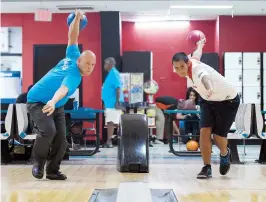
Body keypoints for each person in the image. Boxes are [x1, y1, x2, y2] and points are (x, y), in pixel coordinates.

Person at [27, 10, 96, 180]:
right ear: (79, 60)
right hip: (37, 101)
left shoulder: (73, 56)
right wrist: (52, 100)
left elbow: (73, 35)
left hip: (55, 104)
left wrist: (77, 20)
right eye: (87, 63)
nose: (90, 67)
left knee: (61, 140)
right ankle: (38, 163)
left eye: (93, 65)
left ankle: (52, 171)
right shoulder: (74, 73)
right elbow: (63, 89)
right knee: (48, 131)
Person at [172, 39, 240, 179]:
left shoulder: (198, 70)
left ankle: (224, 153)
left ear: (188, 64)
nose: (179, 71)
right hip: (207, 100)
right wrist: (200, 46)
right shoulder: (191, 61)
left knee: (218, 136)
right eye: (176, 68)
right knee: (204, 131)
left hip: (227, 100)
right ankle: (206, 167)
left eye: (181, 67)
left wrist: (209, 88)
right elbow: (197, 55)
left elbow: (206, 78)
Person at [102, 57, 124, 148]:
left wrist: (117, 101)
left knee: (112, 122)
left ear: (110, 64)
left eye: (105, 64)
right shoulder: (111, 74)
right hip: (109, 103)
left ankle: (109, 142)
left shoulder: (114, 73)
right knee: (113, 122)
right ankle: (113, 141)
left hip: (113, 103)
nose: (104, 66)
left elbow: (118, 88)